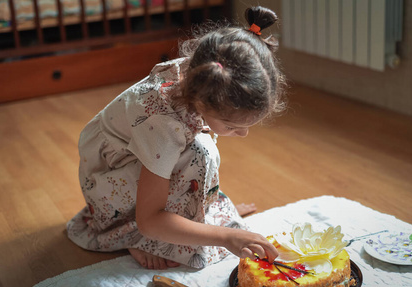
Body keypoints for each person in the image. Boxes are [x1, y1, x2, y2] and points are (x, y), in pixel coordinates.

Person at [67, 6, 286, 270]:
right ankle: (135, 236)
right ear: (203, 100)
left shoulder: (199, 73)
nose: (243, 133)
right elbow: (150, 220)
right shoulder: (163, 126)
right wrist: (226, 236)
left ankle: (191, 214)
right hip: (107, 185)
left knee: (199, 151)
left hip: (133, 162)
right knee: (199, 152)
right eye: (231, 125)